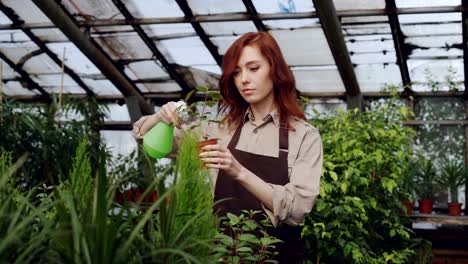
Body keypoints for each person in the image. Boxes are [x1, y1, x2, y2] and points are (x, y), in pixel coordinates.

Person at [133, 31, 323, 263]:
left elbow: (297, 209)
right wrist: (160, 119)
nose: (244, 79)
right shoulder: (218, 129)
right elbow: (154, 148)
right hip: (221, 255)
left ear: (275, 71)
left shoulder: (304, 136)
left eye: (253, 68)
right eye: (236, 72)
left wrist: (239, 172)